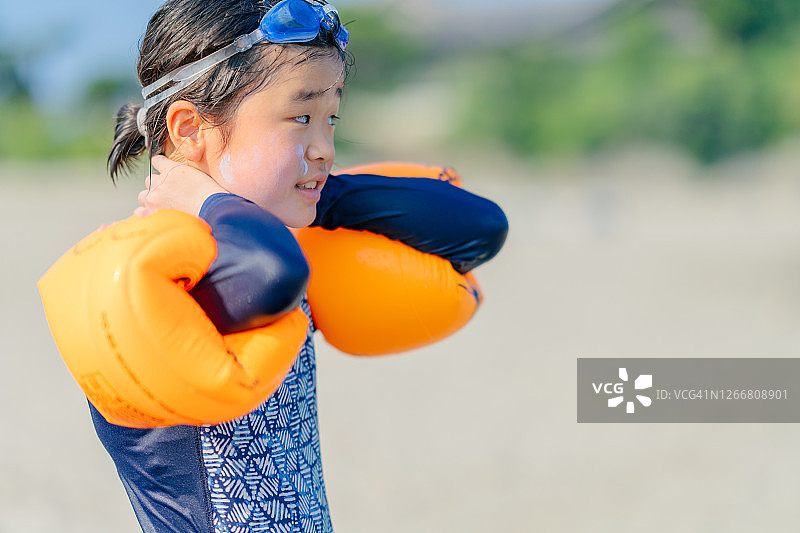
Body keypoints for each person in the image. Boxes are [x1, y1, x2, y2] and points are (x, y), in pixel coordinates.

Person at [95, 0, 508, 531]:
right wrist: (211, 201)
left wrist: (320, 193)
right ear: (190, 129)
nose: (325, 147)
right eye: (300, 117)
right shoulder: (154, 272)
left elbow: (479, 228)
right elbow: (270, 275)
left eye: (330, 119)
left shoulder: (267, 238)